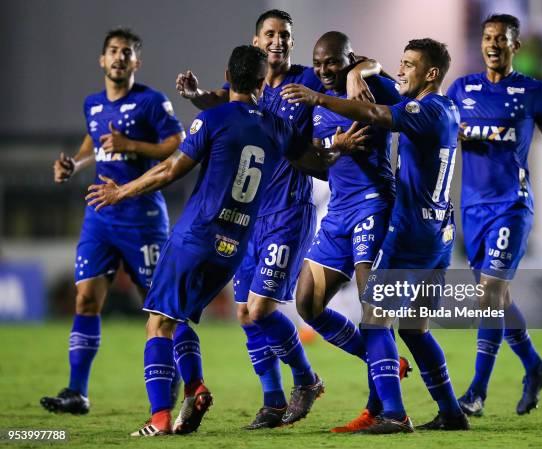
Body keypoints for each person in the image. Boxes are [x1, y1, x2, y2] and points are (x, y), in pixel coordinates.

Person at [86, 45, 367, 437]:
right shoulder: (275, 125)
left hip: (196, 237)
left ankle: (160, 418)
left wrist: (121, 191)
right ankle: (201, 389)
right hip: (233, 247)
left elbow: (169, 170)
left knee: (159, 323)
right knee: (187, 316)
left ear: (228, 75)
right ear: (260, 81)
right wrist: (339, 147)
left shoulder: (213, 119)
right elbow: (316, 164)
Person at [175, 9, 383, 429]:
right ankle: (272, 401)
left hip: (289, 211)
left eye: (284, 34)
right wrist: (197, 96)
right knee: (244, 314)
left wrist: (362, 70)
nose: (278, 40)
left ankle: (316, 377)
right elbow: (221, 100)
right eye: (269, 34)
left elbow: (355, 62)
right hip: (248, 217)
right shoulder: (250, 89)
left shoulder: (307, 79)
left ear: (291, 41)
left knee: (263, 309)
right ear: (256, 42)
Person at [282, 38, 470, 433]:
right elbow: (377, 72)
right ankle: (451, 412)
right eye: (400, 64)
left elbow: (373, 110)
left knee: (375, 319)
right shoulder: (446, 105)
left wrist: (320, 97)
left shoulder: (423, 109)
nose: (400, 71)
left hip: (410, 231)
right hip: (438, 230)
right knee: (412, 330)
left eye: (409, 65)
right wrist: (359, 70)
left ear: (431, 73)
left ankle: (392, 413)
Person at [40, 28, 184, 415]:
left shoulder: (152, 102)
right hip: (100, 215)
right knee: (86, 300)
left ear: (136, 62)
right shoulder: (93, 104)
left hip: (143, 218)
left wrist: (132, 146)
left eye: (127, 52)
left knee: (160, 307)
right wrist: (75, 164)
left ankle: (174, 378)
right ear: (102, 60)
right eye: (113, 52)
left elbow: (178, 142)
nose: (119, 58)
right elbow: (93, 141)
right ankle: (77, 392)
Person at [446, 13, 542, 417]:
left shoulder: (533, 91)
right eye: (487, 37)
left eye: (501, 38)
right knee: (497, 298)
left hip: (511, 206)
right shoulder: (463, 87)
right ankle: (535, 366)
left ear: (516, 46)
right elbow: (443, 131)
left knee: (488, 297)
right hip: (473, 209)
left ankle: (476, 393)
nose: (493, 44)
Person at [292, 31, 411, 433]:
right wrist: (335, 145)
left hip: (374, 204)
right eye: (319, 62)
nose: (324, 70)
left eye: (333, 62)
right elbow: (311, 157)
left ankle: (394, 413)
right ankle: (383, 365)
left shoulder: (372, 84)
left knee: (373, 308)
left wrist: (367, 68)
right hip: (339, 210)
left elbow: (412, 111)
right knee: (307, 303)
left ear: (350, 58)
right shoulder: (312, 92)